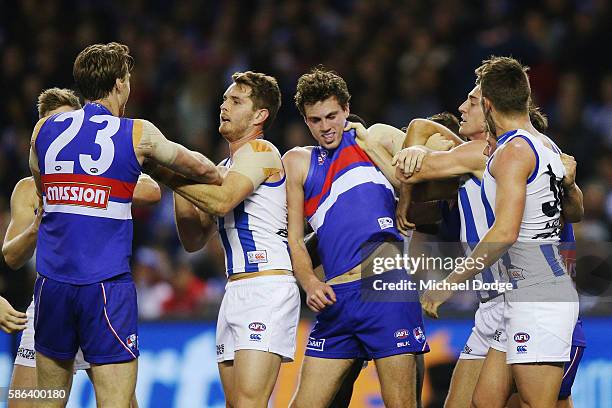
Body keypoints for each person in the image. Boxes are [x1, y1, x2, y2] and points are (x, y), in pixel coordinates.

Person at [27, 43, 219, 408]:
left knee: (46, 399)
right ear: (119, 83)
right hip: (104, 286)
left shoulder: (43, 129)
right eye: (128, 79)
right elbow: (202, 170)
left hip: (51, 284)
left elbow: (44, 190)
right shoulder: (137, 133)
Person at [395, 95, 584, 407]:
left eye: (472, 102)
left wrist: (417, 148)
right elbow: (418, 210)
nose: (462, 108)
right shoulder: (490, 155)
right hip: (496, 302)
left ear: (491, 110)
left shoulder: (500, 155)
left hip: (527, 295)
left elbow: (408, 166)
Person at [147, 71, 300, 408]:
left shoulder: (262, 151)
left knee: (250, 403)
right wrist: (180, 172)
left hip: (267, 287)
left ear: (259, 116)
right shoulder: (222, 166)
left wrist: (166, 172)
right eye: (224, 99)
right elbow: (193, 239)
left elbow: (222, 201)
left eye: (236, 101)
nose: (224, 105)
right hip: (235, 291)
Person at [3, 87, 160, 408]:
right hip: (50, 302)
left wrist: (85, 187)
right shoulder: (26, 190)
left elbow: (152, 190)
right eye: (49, 127)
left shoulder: (105, 168)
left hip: (97, 295)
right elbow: (12, 256)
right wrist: (36, 226)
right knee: (22, 402)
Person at [284, 67, 428, 408]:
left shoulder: (375, 137)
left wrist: (391, 146)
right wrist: (308, 283)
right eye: (315, 120)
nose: (325, 127)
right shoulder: (298, 161)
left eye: (332, 116)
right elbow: (292, 238)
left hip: (386, 289)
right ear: (306, 122)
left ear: (347, 109)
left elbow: (423, 161)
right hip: (336, 301)